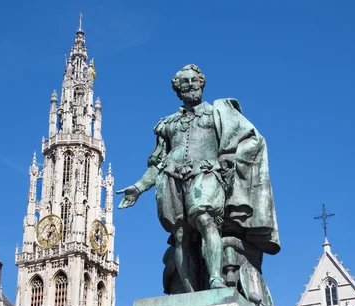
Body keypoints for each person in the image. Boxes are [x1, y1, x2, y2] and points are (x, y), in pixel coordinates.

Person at [118, 64, 280, 294]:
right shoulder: (168, 123)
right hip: (172, 179)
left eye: (194, 80)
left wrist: (229, 159)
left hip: (206, 174)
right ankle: (189, 292)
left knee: (206, 220)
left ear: (202, 84)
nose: (191, 85)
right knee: (181, 235)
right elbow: (158, 163)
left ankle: (215, 279)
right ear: (178, 89)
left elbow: (253, 139)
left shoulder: (218, 113)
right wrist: (138, 187)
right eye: (185, 82)